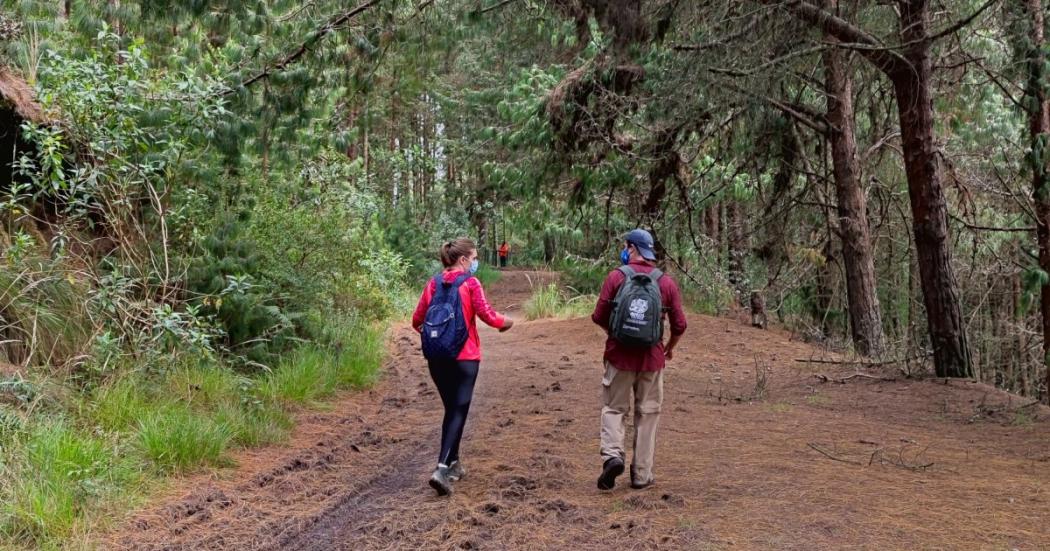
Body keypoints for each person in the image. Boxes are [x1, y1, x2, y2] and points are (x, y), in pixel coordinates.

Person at [412, 238, 514, 496]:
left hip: (436, 357)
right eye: (474, 257)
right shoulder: (470, 283)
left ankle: (454, 462)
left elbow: (417, 320)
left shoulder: (432, 284)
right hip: (465, 358)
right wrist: (506, 322)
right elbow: (487, 314)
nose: (475, 262)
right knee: (458, 411)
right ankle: (442, 468)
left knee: (452, 409)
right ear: (463, 260)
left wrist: (438, 338)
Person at [590, 229, 687, 490]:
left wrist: (615, 333)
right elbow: (680, 324)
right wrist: (669, 347)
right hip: (652, 359)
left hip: (618, 356)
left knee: (613, 409)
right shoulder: (665, 283)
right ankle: (642, 474)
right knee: (648, 413)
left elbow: (598, 315)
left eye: (625, 246)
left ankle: (612, 456)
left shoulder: (616, 277)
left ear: (631, 248)